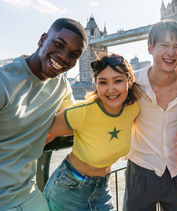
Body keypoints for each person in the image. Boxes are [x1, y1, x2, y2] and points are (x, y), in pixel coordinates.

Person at [0, 18, 88, 210]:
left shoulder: (61, 86)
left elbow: (78, 119)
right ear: (42, 39)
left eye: (74, 55)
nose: (64, 57)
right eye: (59, 44)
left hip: (29, 196)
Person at [43, 53, 139, 211]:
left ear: (129, 81)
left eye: (118, 80)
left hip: (101, 188)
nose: (111, 89)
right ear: (96, 84)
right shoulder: (82, 112)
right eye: (103, 82)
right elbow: (41, 134)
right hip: (69, 187)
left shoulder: (134, 108)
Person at [123, 19, 177, 211]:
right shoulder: (132, 83)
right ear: (150, 48)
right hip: (140, 171)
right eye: (164, 45)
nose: (171, 53)